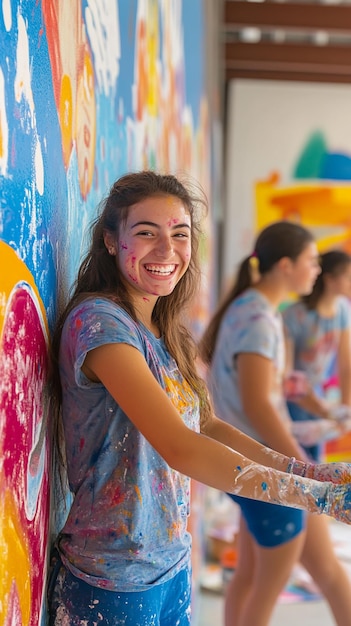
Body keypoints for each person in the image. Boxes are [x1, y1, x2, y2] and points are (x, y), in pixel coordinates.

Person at [48, 173, 351, 626]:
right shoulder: (100, 324)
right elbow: (181, 446)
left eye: (180, 234)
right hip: (112, 579)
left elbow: (205, 424)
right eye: (146, 233)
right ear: (111, 241)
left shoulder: (162, 328)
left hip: (171, 564)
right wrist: (318, 497)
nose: (167, 250)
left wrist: (308, 470)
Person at [199, 222, 351, 626]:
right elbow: (259, 406)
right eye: (311, 262)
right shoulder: (260, 320)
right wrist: (304, 468)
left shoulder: (249, 307)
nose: (317, 271)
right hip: (263, 469)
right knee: (294, 581)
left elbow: (265, 392)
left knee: (251, 577)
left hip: (250, 466)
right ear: (285, 266)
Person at [283, 249, 351, 461]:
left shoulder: (341, 309)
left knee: (316, 467)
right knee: (297, 465)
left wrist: (345, 409)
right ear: (330, 279)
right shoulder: (294, 315)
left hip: (319, 398)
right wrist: (328, 412)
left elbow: (346, 363)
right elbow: (286, 378)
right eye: (348, 276)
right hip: (293, 403)